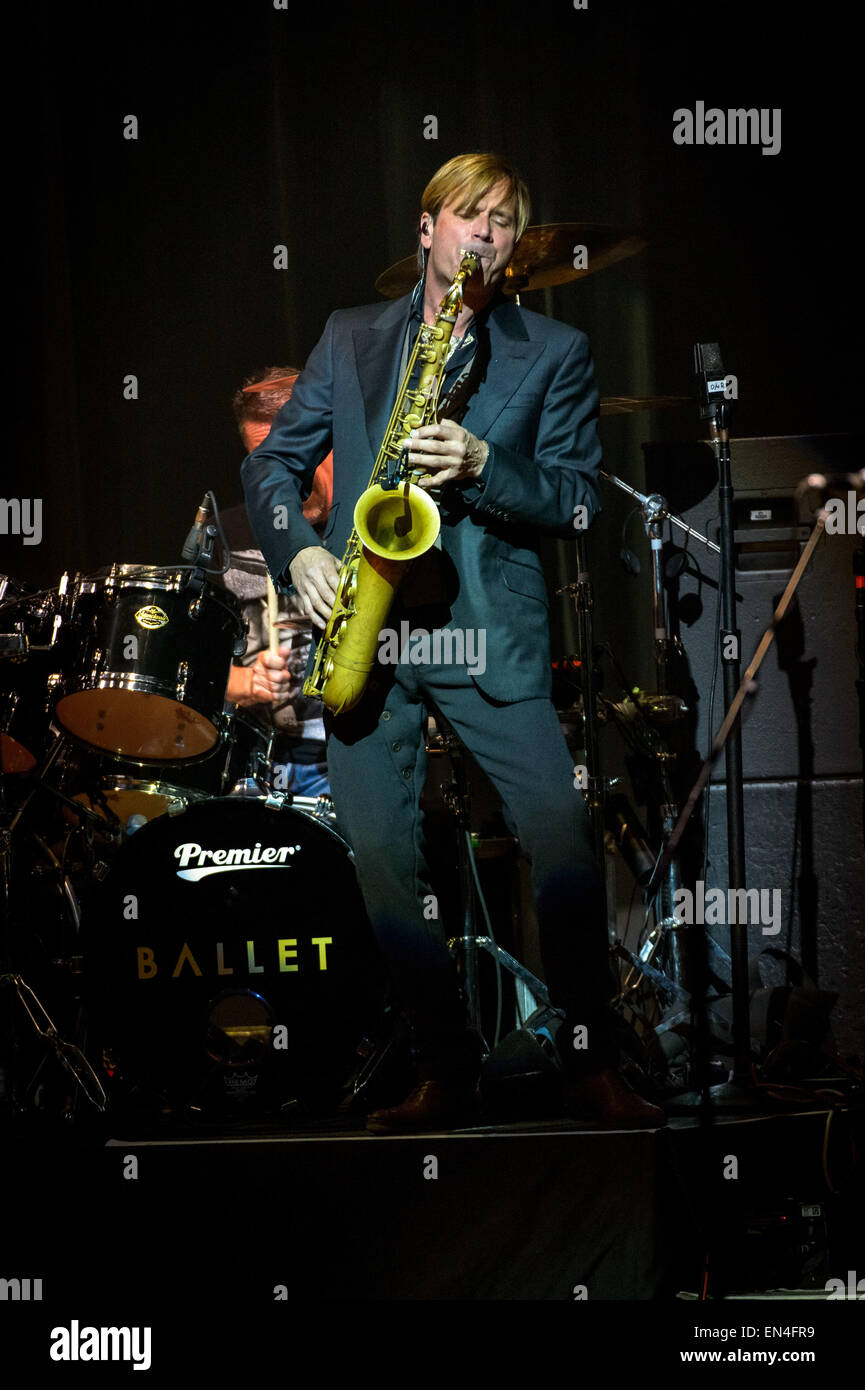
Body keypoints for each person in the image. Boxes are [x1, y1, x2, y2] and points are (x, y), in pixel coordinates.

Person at [242, 153, 665, 1131]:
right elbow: (273, 468)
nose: (486, 233)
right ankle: (446, 1066)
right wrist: (299, 551)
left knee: (558, 840)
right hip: (365, 625)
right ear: (425, 229)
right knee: (384, 863)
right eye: (469, 215)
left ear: (516, 246)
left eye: (505, 221)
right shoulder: (350, 336)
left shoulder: (551, 350)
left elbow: (570, 497)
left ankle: (588, 1058)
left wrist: (482, 460)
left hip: (480, 632)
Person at [222, 368, 332, 797]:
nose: (285, 480)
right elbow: (186, 669)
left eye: (296, 455)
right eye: (265, 460)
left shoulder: (367, 522)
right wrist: (245, 684)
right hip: (257, 758)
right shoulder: (227, 533)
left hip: (360, 749)